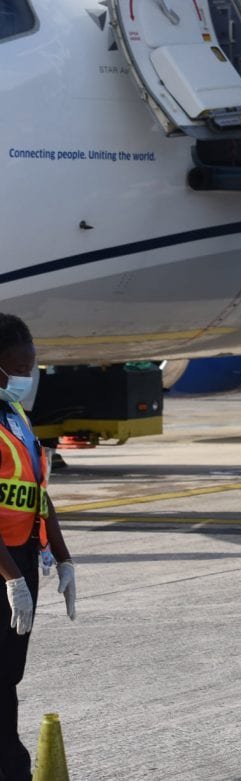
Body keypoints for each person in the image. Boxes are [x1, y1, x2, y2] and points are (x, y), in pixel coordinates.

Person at [0, 314, 75, 781]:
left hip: (21, 559)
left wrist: (63, 556)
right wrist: (12, 580)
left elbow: (37, 492)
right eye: (21, 367)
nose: (29, 377)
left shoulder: (15, 416)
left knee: (7, 678)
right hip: (4, 568)